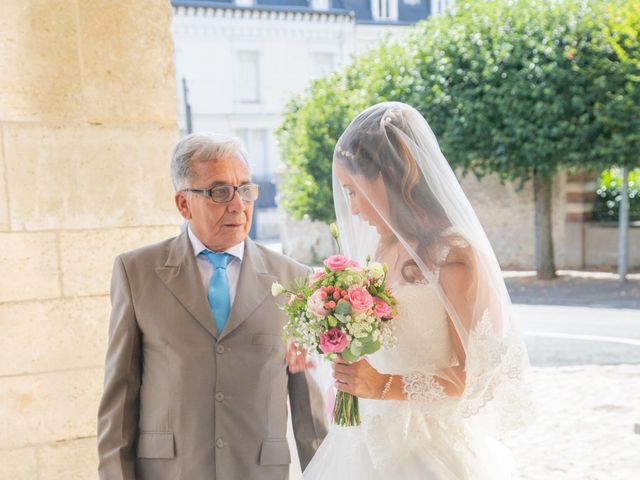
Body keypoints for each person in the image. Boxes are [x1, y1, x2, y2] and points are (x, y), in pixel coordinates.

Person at [302, 102, 531, 479]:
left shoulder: (453, 255)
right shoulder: (380, 249)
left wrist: (384, 385)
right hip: (365, 439)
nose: (353, 209)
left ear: (388, 178)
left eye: (354, 191)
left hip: (428, 449)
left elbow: (476, 379)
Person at [97, 133, 327, 480]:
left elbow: (308, 411)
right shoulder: (137, 272)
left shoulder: (293, 279)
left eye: (245, 189)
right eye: (220, 192)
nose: (238, 205)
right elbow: (120, 399)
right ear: (183, 204)